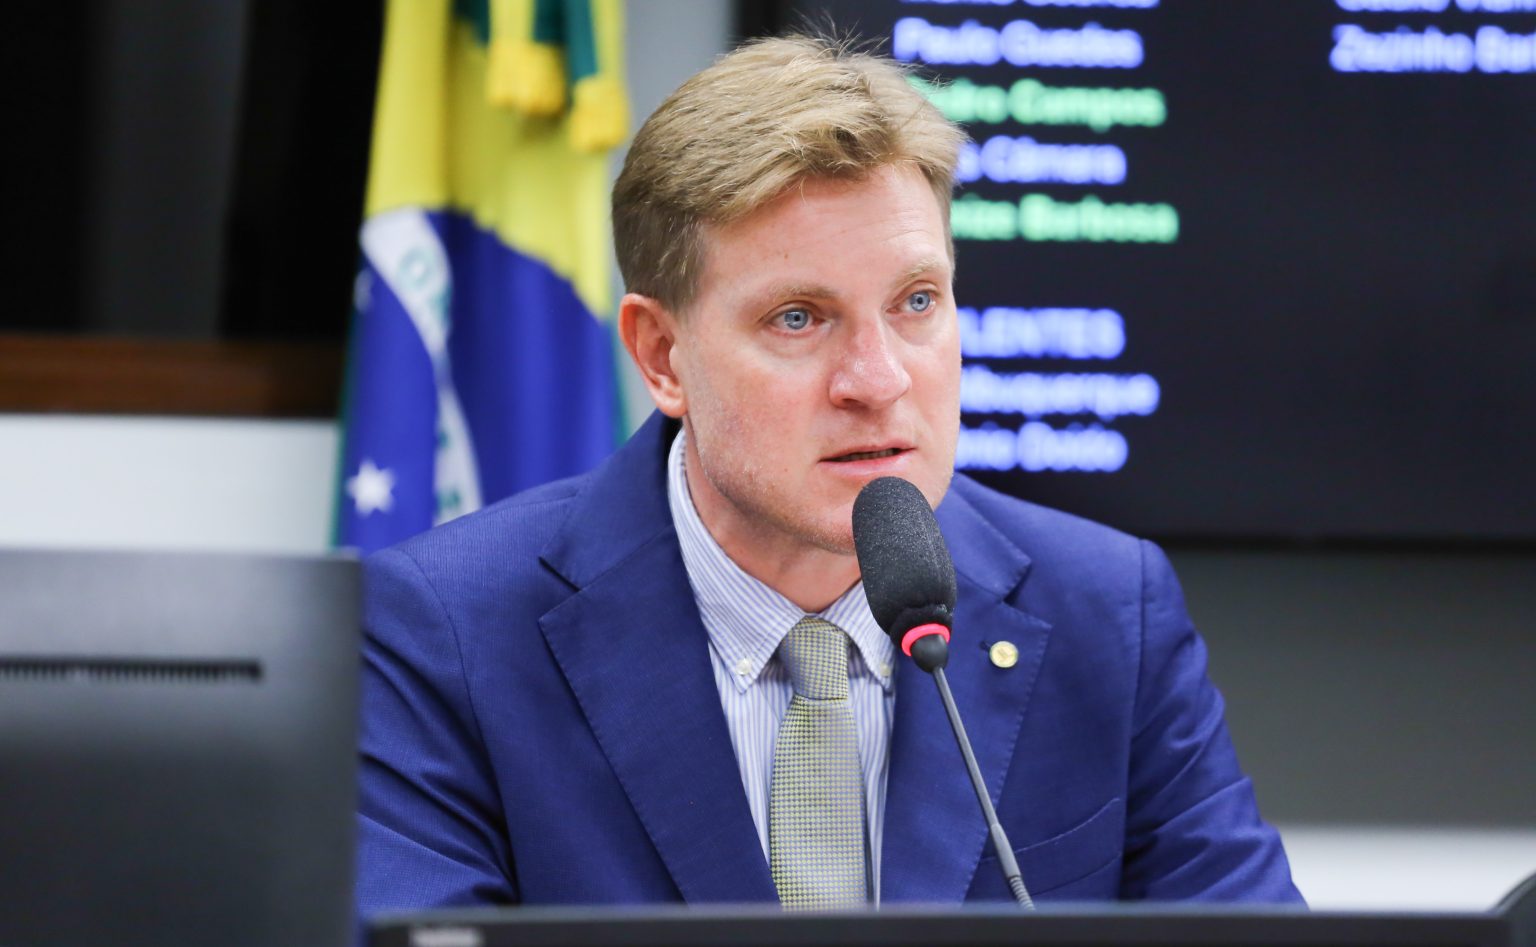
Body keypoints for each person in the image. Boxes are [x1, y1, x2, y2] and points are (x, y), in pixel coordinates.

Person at [355, 35, 1302, 920]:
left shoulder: (1109, 612)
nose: (879, 381)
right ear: (661, 355)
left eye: (916, 302)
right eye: (799, 318)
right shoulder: (449, 634)